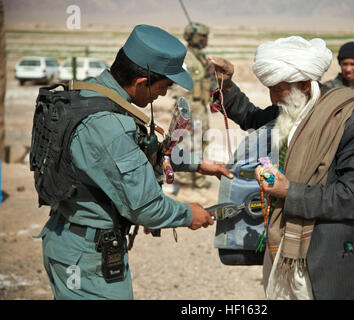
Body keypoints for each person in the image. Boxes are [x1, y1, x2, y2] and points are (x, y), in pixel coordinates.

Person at [33, 25, 232, 300]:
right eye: (162, 88)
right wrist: (190, 214)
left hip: (71, 242)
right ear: (141, 82)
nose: (161, 96)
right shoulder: (109, 127)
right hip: (87, 260)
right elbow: (146, 208)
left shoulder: (96, 93)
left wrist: (198, 164)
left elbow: (139, 152)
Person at [209, 35, 354, 300]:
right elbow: (252, 117)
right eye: (270, 88)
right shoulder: (291, 108)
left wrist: (289, 191)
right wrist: (227, 84)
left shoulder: (347, 120)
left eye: (277, 88)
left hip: (325, 253)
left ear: (303, 84)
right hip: (282, 246)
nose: (272, 96)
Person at [169, 22, 213, 191]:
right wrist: (184, 115)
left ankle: (199, 179)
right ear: (195, 38)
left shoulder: (200, 57)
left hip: (200, 106)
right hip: (191, 106)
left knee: (202, 142)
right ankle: (187, 180)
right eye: (203, 36)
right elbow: (180, 88)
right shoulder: (187, 59)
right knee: (189, 143)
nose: (206, 40)